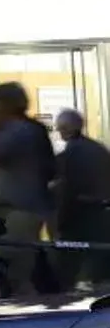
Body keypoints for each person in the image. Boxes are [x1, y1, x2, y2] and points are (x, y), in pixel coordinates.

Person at [0, 82, 56, 296]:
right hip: (7, 209)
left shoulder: (21, 130)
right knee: (4, 268)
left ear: (9, 105)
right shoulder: (15, 130)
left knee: (17, 273)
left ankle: (27, 320)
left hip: (20, 211)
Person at [55, 109, 110, 290]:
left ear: (67, 128)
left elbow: (68, 188)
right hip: (102, 215)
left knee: (68, 268)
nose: (58, 131)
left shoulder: (71, 152)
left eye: (60, 128)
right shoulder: (99, 149)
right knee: (101, 268)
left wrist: (60, 219)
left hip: (78, 215)